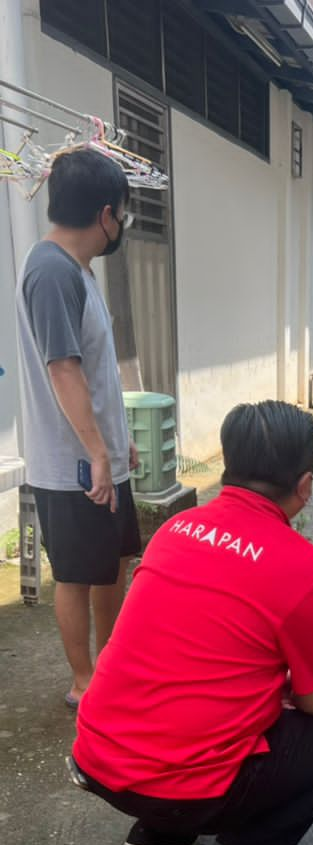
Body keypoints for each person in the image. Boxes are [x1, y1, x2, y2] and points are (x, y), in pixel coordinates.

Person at [71, 401, 313, 845]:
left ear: (226, 468)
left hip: (98, 761)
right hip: (183, 785)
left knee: (194, 680)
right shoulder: (306, 569)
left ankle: (161, 833)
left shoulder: (174, 531)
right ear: (304, 485)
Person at [15, 148, 141, 710]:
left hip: (99, 454)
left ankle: (109, 661)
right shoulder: (49, 271)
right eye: (125, 217)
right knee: (75, 574)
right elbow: (62, 368)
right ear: (107, 214)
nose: (123, 228)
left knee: (111, 564)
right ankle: (83, 679)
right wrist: (96, 452)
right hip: (73, 465)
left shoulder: (80, 270)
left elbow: (94, 366)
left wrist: (119, 439)